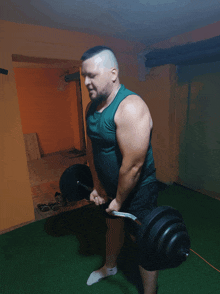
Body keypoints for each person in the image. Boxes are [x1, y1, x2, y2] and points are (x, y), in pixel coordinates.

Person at [81, 45, 159, 294]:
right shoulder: (91, 109)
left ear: (113, 73)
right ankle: (110, 266)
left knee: (143, 239)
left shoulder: (131, 108)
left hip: (138, 190)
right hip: (111, 187)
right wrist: (98, 186)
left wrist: (119, 200)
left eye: (92, 75)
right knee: (112, 226)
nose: (85, 82)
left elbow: (134, 166)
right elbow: (94, 151)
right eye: (84, 75)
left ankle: (150, 292)